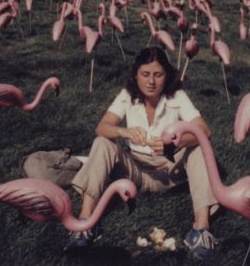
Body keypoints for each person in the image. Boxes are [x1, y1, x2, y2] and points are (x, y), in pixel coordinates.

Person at [66, 47, 219, 260]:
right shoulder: (127, 96)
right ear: (136, 75)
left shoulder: (177, 96)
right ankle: (85, 223)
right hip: (135, 170)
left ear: (167, 76)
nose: (151, 82)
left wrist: (174, 145)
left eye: (158, 75)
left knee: (200, 147)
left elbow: (205, 131)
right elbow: (102, 127)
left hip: (170, 169)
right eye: (145, 74)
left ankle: (201, 230)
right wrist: (124, 131)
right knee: (102, 143)